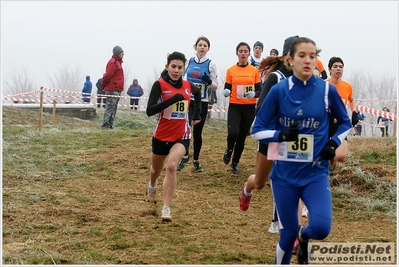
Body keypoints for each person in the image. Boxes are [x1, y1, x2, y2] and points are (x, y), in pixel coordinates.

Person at [251, 37, 351, 264]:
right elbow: (256, 129)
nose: (308, 61)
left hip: (315, 173)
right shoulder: (278, 91)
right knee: (286, 235)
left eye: (312, 56)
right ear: (290, 59)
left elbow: (345, 123)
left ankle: (303, 237)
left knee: (321, 228)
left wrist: (333, 142)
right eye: (302, 56)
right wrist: (279, 136)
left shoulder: (327, 91)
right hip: (284, 175)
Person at [238, 35, 298, 235]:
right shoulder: (275, 78)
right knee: (261, 182)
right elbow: (261, 108)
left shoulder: (305, 80)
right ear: (287, 55)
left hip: (292, 138)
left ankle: (278, 221)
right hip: (271, 135)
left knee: (285, 179)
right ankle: (247, 188)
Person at [145, 51, 202, 222]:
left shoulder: (188, 85)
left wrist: (197, 113)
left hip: (181, 134)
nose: (176, 70)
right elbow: (150, 110)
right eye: (173, 67)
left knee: (171, 166)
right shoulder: (159, 85)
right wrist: (171, 100)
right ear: (167, 67)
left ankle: (166, 208)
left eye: (180, 67)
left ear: (184, 69)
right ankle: (152, 185)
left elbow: (198, 94)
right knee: (156, 170)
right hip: (161, 135)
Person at [177, 36, 218, 172]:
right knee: (185, 129)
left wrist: (209, 82)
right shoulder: (189, 61)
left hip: (202, 102)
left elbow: (216, 86)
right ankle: (185, 156)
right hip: (189, 101)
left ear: (208, 49)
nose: (202, 47)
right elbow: (182, 79)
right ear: (196, 47)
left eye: (205, 45)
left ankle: (196, 159)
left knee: (198, 133)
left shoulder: (211, 64)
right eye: (200, 45)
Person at [223, 42, 261, 174]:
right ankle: (228, 149)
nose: (243, 53)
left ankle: (235, 162)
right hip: (235, 106)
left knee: (241, 137)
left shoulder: (255, 71)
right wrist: (226, 91)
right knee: (233, 132)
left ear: (249, 54)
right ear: (237, 53)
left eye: (245, 51)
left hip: (249, 107)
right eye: (241, 51)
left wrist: (254, 94)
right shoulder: (231, 70)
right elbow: (227, 86)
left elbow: (259, 90)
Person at [326, 56, 358, 169]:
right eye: (335, 66)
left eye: (341, 67)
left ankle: (331, 161)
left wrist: (354, 112)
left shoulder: (347, 86)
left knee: (341, 156)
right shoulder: (324, 85)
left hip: (339, 124)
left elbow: (351, 100)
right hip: (325, 123)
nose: (338, 69)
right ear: (329, 69)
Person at [101, 45, 125, 130]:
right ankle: (105, 125)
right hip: (112, 89)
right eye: (122, 52)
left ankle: (110, 124)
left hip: (117, 89)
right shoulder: (113, 63)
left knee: (114, 108)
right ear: (118, 53)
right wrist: (103, 86)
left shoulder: (117, 63)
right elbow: (107, 76)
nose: (123, 54)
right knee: (110, 107)